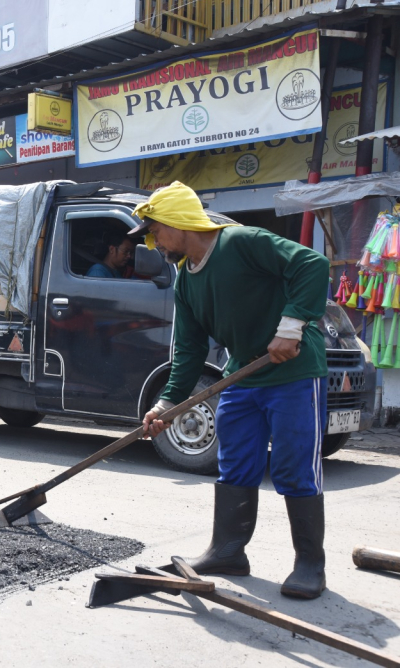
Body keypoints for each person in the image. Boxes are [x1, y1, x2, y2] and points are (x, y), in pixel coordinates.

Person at [136, 181, 330, 600]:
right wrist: (168, 402)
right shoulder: (186, 282)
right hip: (243, 375)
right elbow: (188, 350)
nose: (154, 243)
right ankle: (228, 550)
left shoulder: (241, 242)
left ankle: (310, 563)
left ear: (178, 222)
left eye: (155, 232)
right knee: (235, 464)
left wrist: (291, 326)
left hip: (293, 373)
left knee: (294, 467)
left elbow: (311, 264)